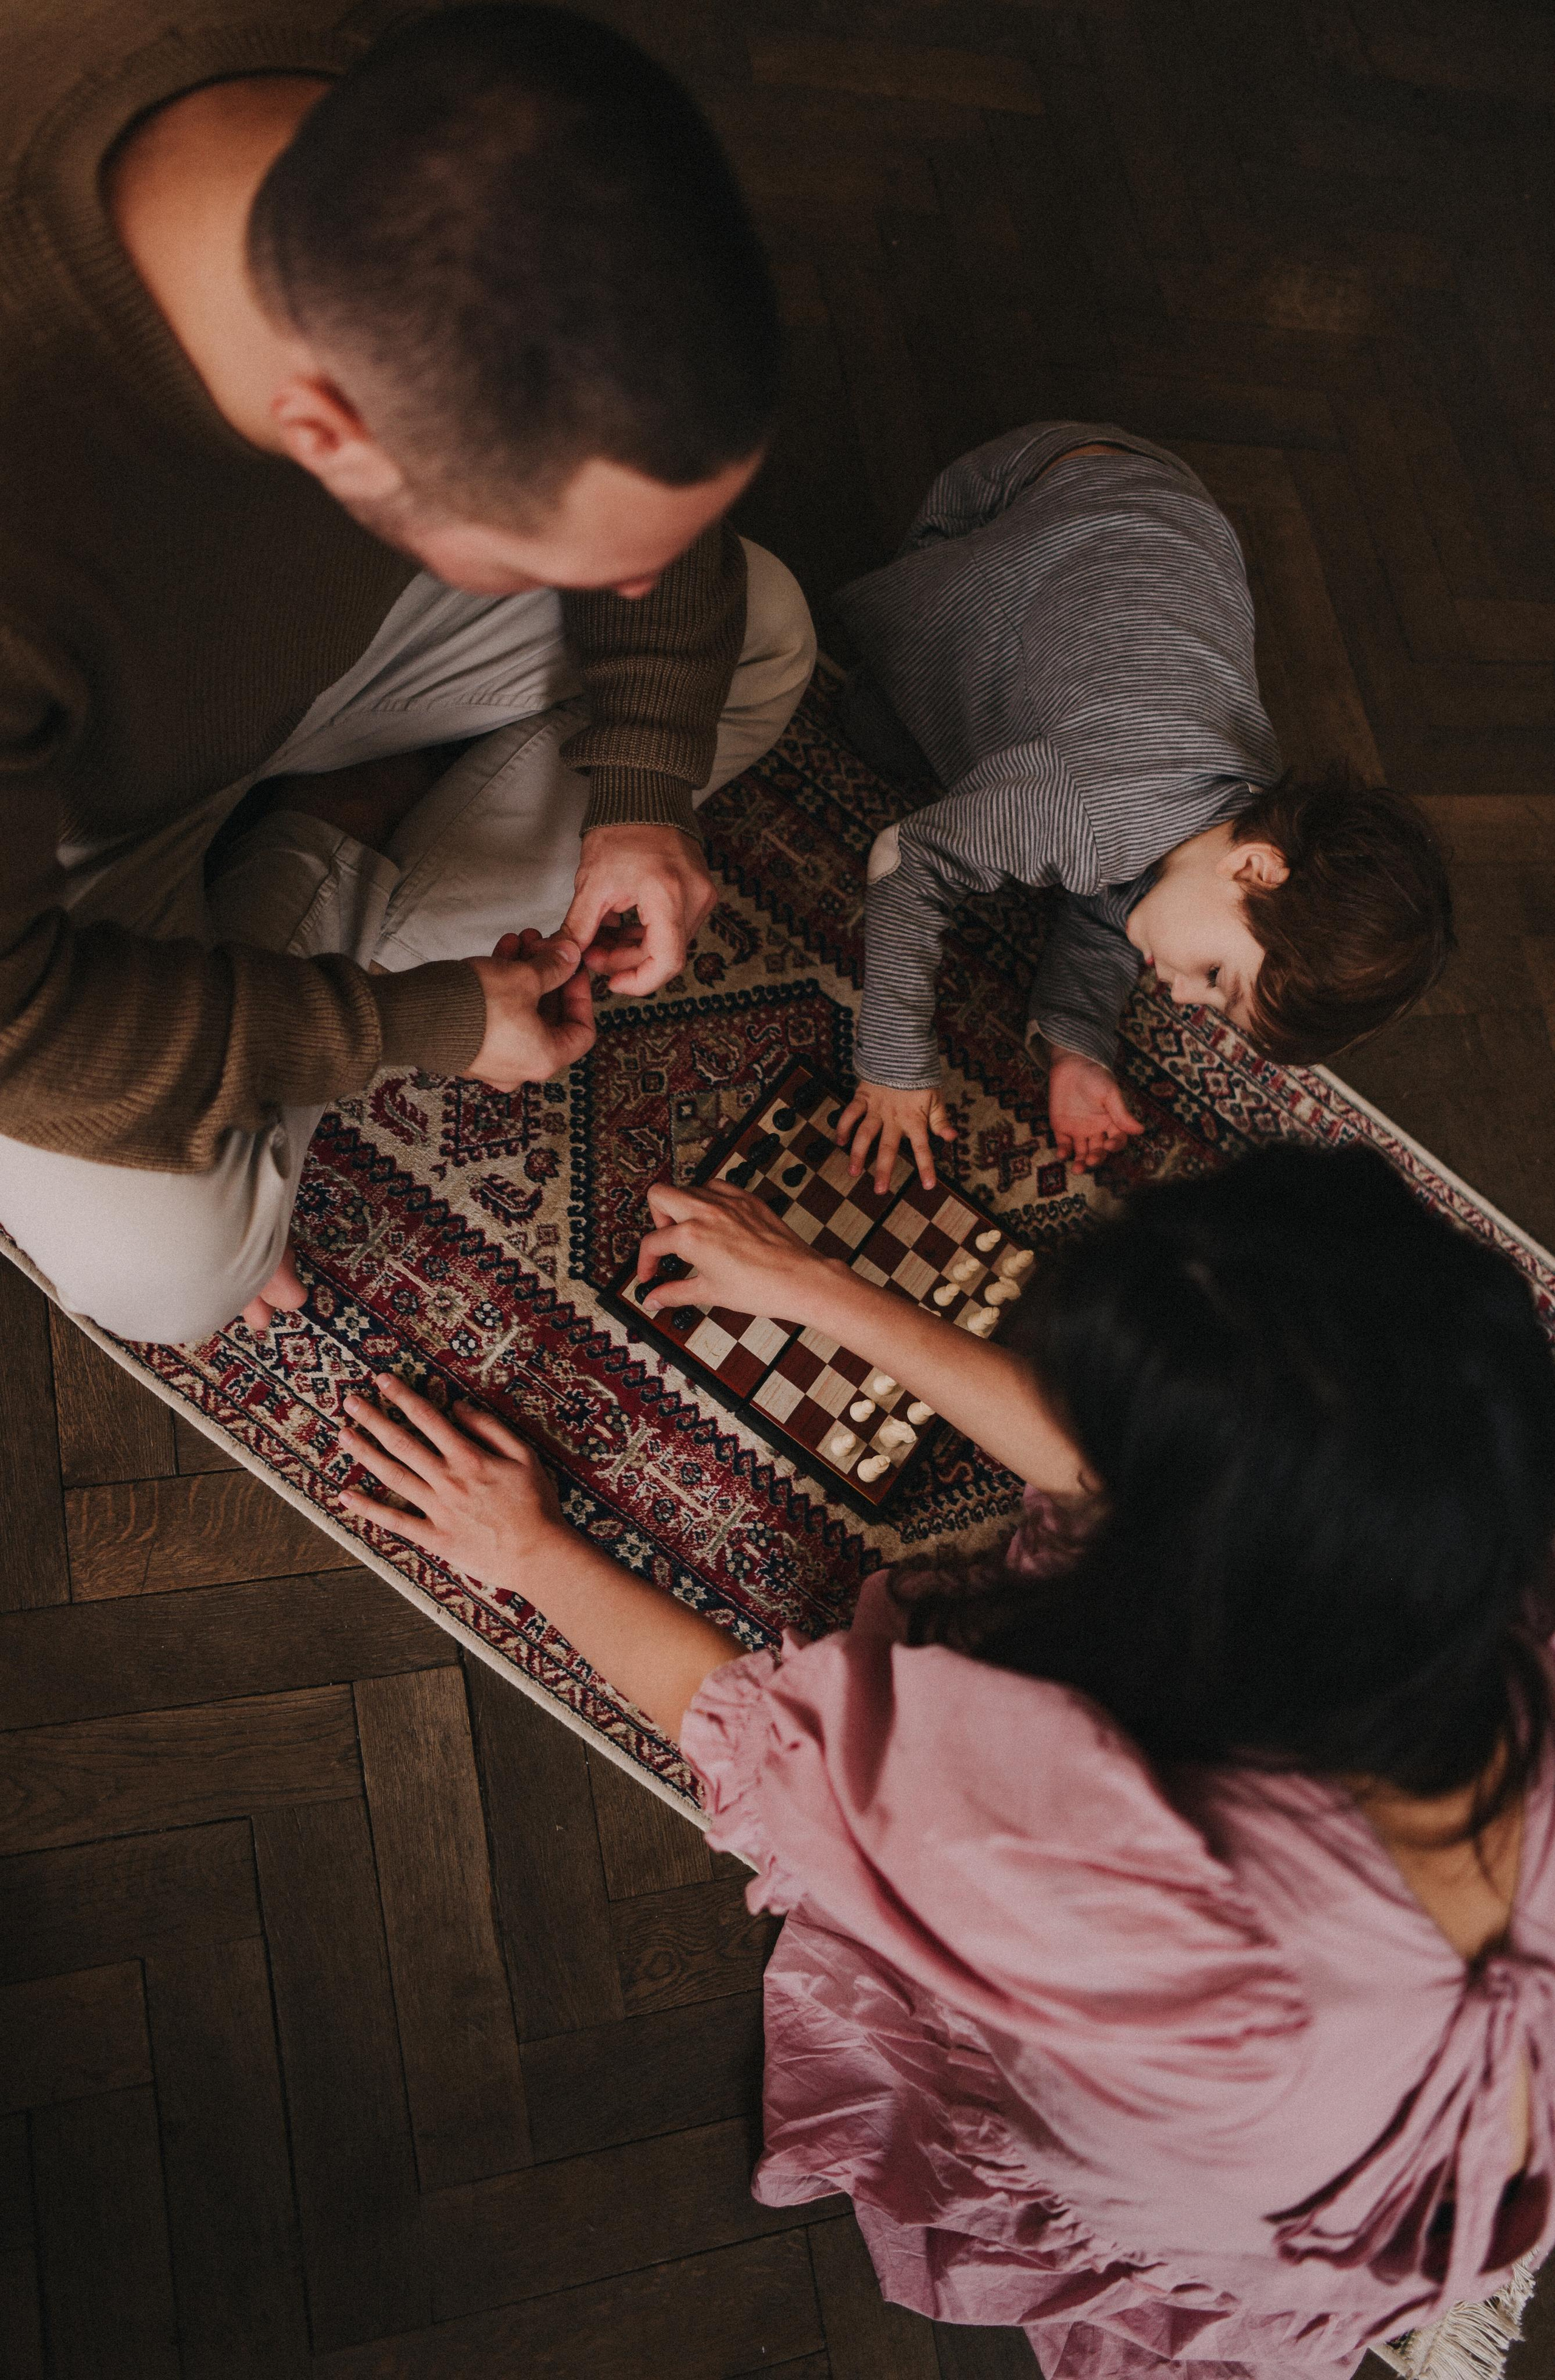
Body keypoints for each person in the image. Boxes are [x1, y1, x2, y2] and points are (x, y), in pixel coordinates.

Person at [337, 1143, 1555, 2379]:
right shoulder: (1458, 1552)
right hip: (1413, 2107)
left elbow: (770, 1743)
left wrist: (530, 1553)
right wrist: (813, 1286)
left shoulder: (1113, 1881)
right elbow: (1200, 1476)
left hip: (1260, 2144)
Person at [0, 2, 815, 1344]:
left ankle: (313, 869)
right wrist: (413, 1023)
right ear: (327, 431)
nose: (638, 588)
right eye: (547, 557)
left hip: (289, 649)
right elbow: (21, 1030)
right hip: (78, 829)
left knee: (756, 628)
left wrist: (645, 792)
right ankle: (335, 841)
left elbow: (635, 471)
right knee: (169, 1276)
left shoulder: (435, 108)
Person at [825, 423, 1451, 1190]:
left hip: (1162, 500)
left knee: (1103, 863)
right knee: (873, 727)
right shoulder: (1087, 807)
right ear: (1256, 868)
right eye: (1216, 976)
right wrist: (892, 1064)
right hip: (1011, 493)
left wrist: (1076, 1045)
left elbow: (1122, 903)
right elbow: (909, 858)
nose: (1181, 994)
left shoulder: (1249, 803)